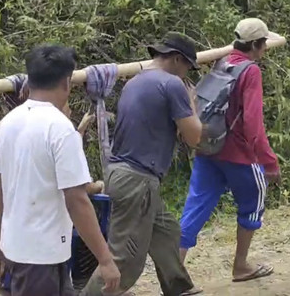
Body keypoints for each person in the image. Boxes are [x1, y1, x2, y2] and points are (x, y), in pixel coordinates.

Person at [0, 44, 121, 296]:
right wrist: (104, 259)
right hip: (40, 254)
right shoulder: (60, 129)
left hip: (20, 247)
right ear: (67, 83)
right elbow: (77, 199)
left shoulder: (6, 124)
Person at [81, 32, 203, 296]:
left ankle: (178, 287)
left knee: (167, 231)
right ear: (176, 59)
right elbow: (194, 137)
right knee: (125, 259)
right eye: (187, 68)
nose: (186, 74)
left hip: (122, 174)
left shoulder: (135, 82)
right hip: (138, 179)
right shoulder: (171, 85)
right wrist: (192, 103)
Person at [179, 18, 280, 282]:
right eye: (263, 44)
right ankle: (241, 266)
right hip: (239, 155)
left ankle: (174, 273)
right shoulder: (251, 72)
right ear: (257, 45)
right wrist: (268, 162)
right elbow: (253, 124)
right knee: (252, 202)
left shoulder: (221, 62)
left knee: (195, 207)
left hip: (208, 148)